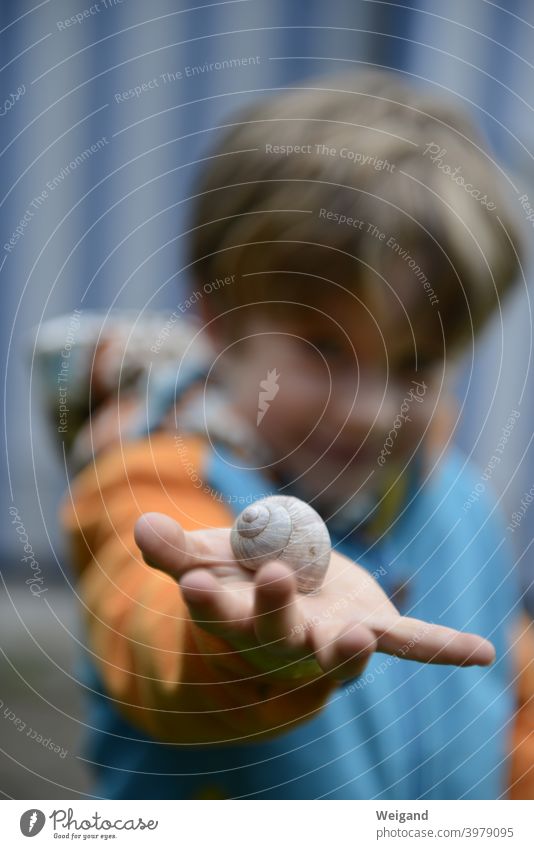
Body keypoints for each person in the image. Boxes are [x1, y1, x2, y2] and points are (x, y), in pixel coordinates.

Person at [58, 70, 533, 799]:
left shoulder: (459, 504)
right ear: (221, 324)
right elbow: (150, 639)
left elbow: (507, 691)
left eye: (415, 362)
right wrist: (241, 648)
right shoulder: (150, 482)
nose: (370, 409)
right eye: (323, 349)